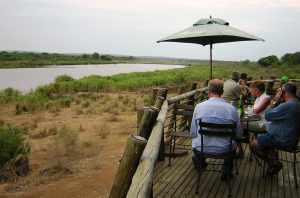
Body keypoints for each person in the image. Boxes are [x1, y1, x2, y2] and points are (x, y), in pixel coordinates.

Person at [190, 79, 243, 180]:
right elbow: (239, 134)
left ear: (209, 92)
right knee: (233, 144)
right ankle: (226, 171)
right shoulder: (231, 109)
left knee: (195, 144)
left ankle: (200, 163)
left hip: (201, 149)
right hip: (225, 149)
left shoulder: (199, 107)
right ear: (222, 92)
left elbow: (193, 132)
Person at [250, 83, 300, 175]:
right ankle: (273, 162)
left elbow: (268, 115)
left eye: (279, 91)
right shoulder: (296, 103)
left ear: (284, 92)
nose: (278, 93)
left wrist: (275, 100)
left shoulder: (287, 105)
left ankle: (274, 163)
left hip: (283, 139)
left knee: (254, 143)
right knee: (265, 138)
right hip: (292, 139)